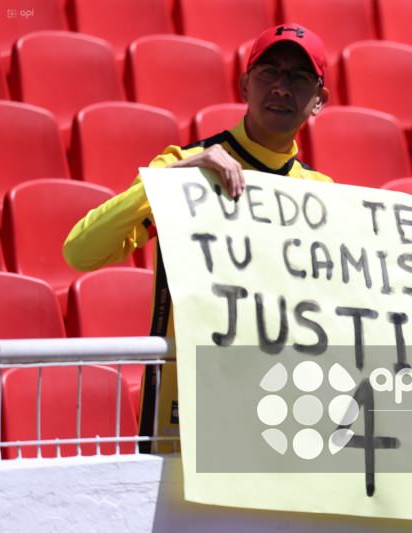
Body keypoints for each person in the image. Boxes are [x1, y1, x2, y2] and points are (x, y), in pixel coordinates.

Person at [63, 23, 332, 449]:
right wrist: (169, 180)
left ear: (319, 101)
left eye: (299, 78)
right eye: (269, 72)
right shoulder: (186, 167)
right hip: (187, 401)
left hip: (282, 408)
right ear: (245, 84)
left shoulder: (324, 194)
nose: (281, 87)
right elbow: (80, 251)